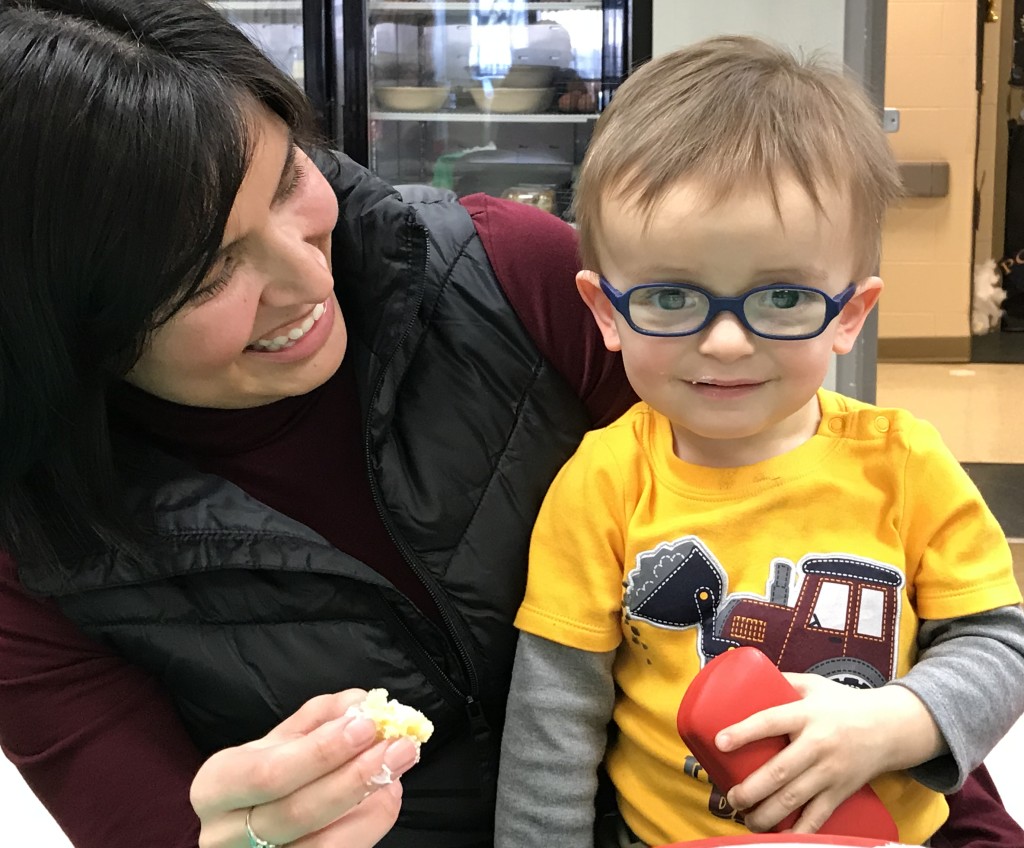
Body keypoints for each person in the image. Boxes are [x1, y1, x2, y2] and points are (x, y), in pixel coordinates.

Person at [0, 4, 1017, 847]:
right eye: (208, 266)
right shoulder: (35, 549)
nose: (309, 274)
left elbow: (873, 604)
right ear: (61, 317)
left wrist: (930, 772)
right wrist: (241, 830)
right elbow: (148, 818)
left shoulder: (505, 280)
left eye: (287, 181)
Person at [494, 36, 1024, 848]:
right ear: (605, 312)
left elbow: (998, 642)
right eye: (672, 295)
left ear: (851, 313)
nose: (729, 342)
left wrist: (899, 720)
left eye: (782, 295)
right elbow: (553, 720)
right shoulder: (604, 481)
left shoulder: (903, 463)